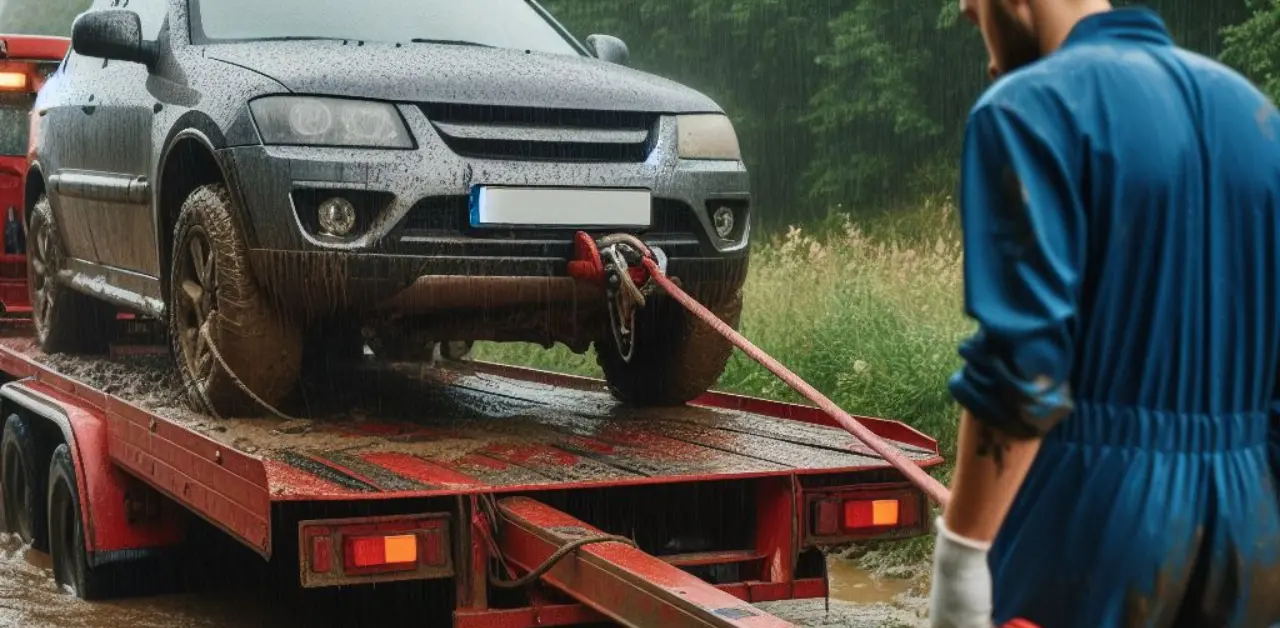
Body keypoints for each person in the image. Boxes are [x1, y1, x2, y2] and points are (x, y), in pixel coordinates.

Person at [928, 1, 1280, 627]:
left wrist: (961, 559)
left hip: (1090, 527)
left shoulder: (1029, 107)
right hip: (1249, 528)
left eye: (974, 16)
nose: (985, 55)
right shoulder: (1257, 118)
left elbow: (1025, 370)